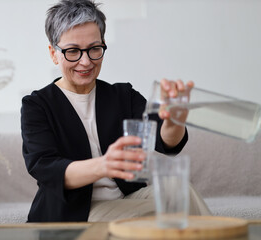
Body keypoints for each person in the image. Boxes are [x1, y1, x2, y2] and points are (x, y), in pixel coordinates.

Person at [21, 0, 211, 222]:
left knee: (180, 190)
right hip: (75, 210)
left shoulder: (122, 95)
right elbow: (46, 168)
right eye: (73, 51)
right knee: (160, 216)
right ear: (54, 53)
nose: (85, 61)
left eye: (94, 49)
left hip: (125, 198)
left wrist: (174, 120)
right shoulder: (37, 105)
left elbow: (167, 142)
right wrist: (104, 165)